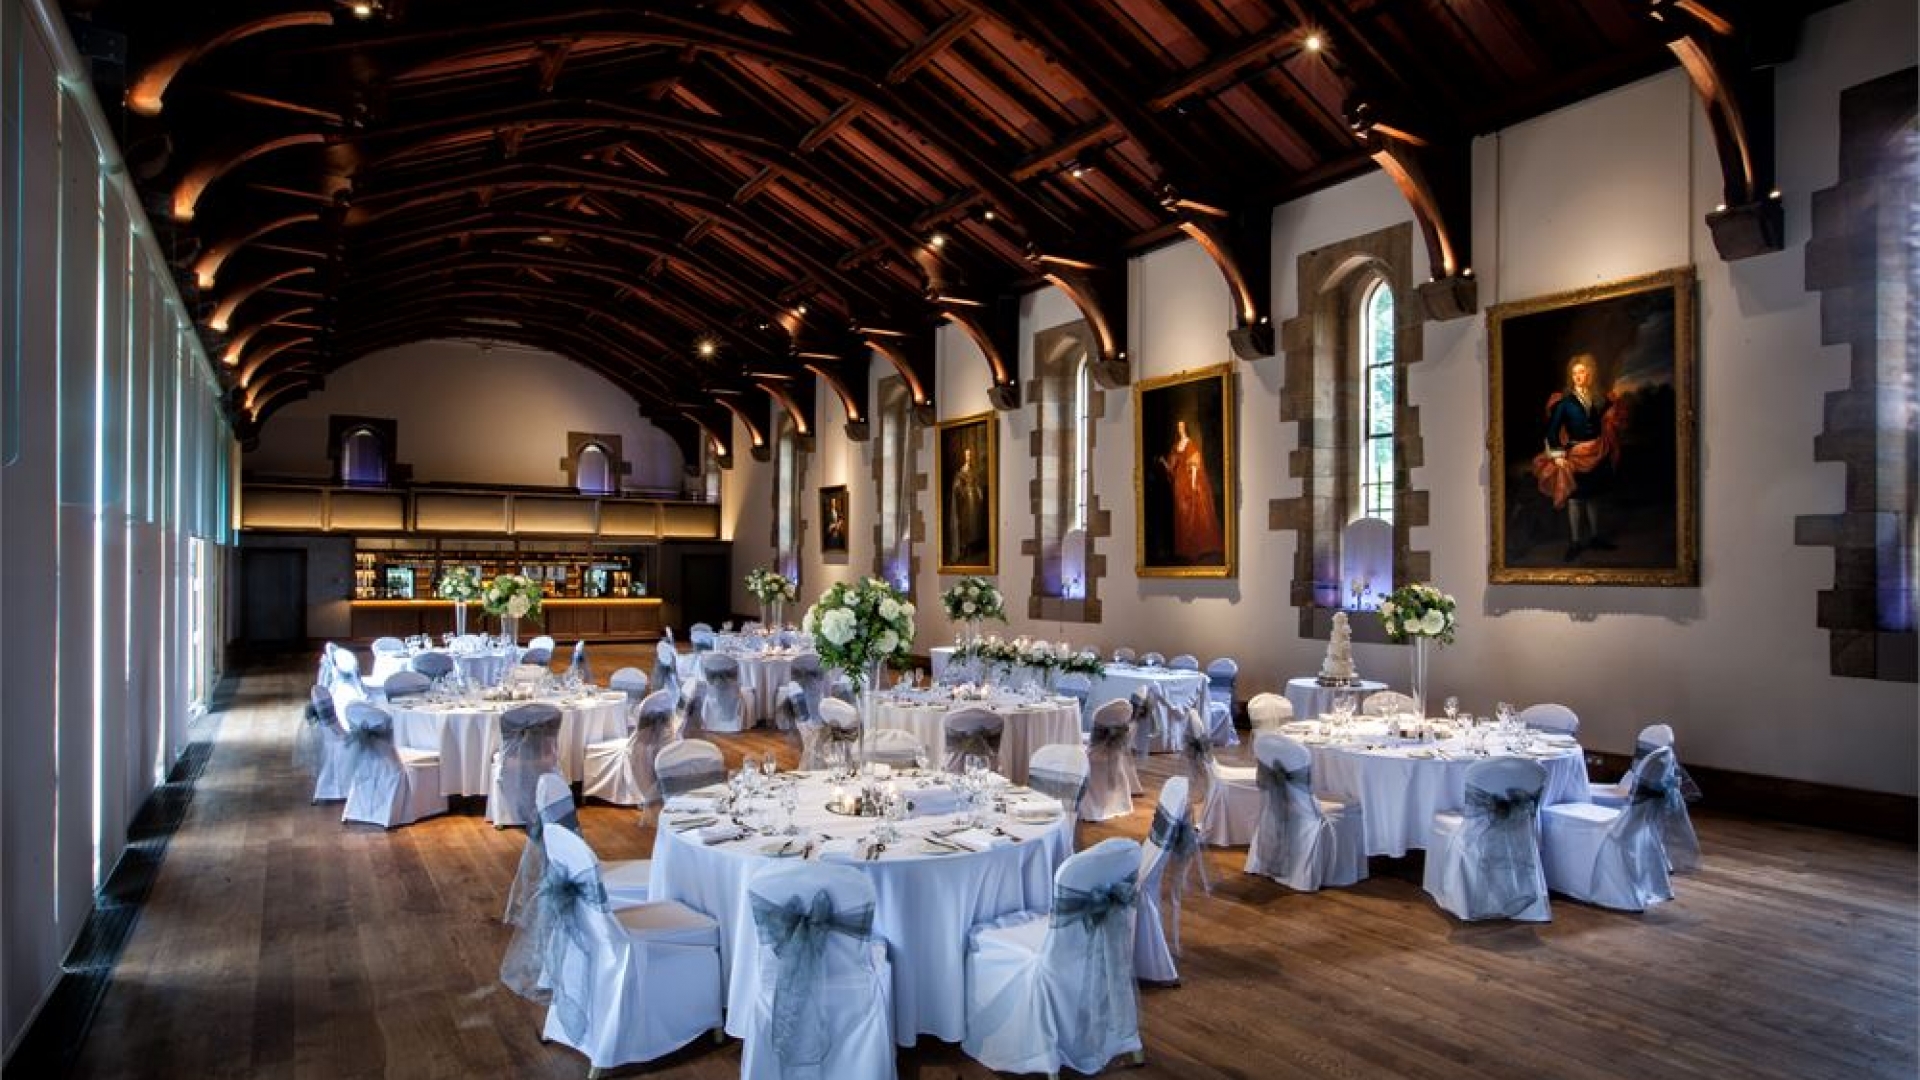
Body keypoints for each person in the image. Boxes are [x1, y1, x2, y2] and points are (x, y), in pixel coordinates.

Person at [1533, 352, 1629, 559]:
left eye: (1582, 372)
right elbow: (1552, 430)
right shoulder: (1564, 402)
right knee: (1575, 501)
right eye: (1574, 373)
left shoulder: (1598, 399)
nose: (1578, 376)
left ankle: (1595, 537)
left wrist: (1615, 402)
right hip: (1575, 457)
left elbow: (1610, 413)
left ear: (1590, 374)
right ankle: (1575, 542)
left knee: (1594, 497)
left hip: (1598, 453)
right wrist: (1558, 455)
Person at [1159, 419, 1223, 563]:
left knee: (1192, 515)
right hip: (1179, 486)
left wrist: (1194, 483)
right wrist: (1164, 463)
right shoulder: (1176, 446)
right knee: (1182, 515)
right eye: (1178, 426)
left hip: (1188, 483)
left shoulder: (1191, 444)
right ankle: (1185, 549)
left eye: (1182, 426)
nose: (1179, 428)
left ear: (1186, 428)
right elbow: (1171, 468)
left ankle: (1195, 549)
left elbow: (1195, 465)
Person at [949, 443, 986, 562]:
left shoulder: (974, 470)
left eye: (970, 455)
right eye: (966, 455)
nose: (968, 457)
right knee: (966, 524)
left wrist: (979, 494)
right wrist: (962, 490)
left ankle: (974, 545)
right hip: (965, 502)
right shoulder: (961, 471)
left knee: (975, 524)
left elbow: (977, 484)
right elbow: (956, 486)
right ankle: (965, 546)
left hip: (974, 501)